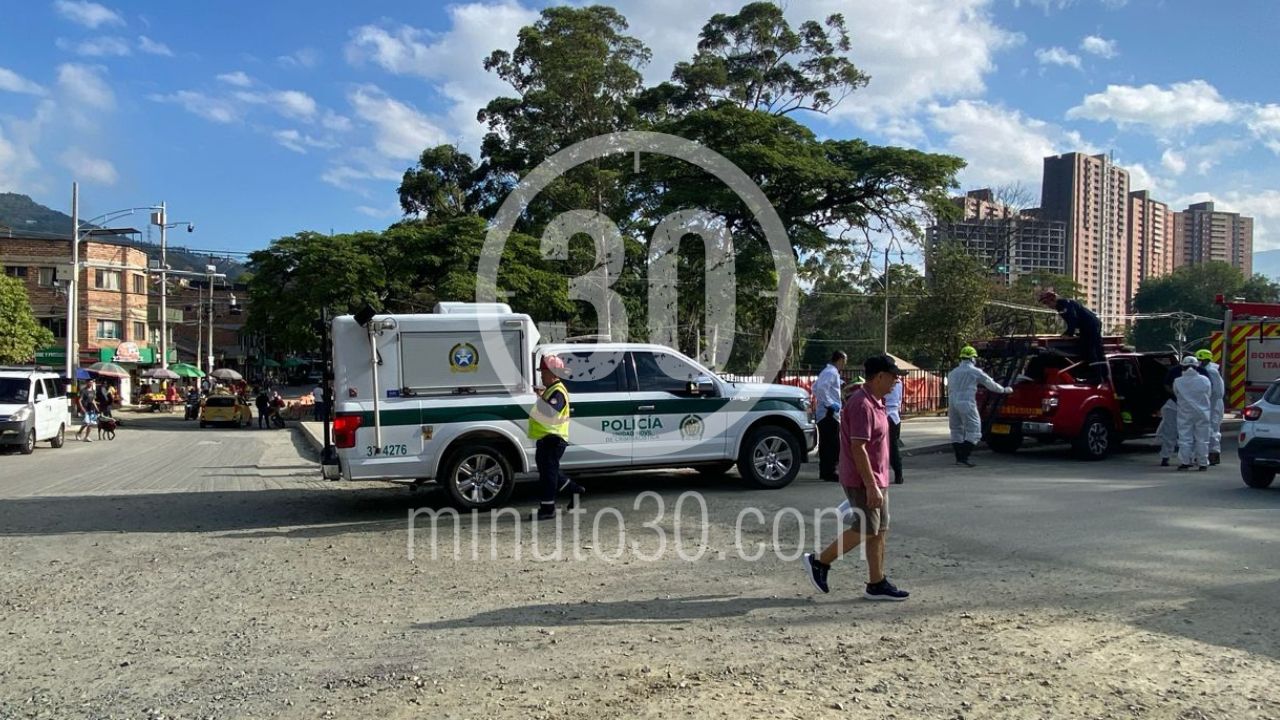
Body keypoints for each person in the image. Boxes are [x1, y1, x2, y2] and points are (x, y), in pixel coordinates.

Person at [802, 354, 911, 601]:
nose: (896, 381)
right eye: (893, 376)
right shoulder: (862, 404)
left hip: (877, 478)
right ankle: (820, 561)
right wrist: (871, 485)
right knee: (865, 529)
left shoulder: (876, 401)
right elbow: (858, 447)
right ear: (880, 376)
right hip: (864, 480)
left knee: (879, 529)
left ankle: (877, 582)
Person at [528, 355, 584, 521]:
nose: (541, 376)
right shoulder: (552, 390)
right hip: (548, 438)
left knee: (548, 475)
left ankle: (547, 509)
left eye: (544, 373)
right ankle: (574, 489)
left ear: (553, 373)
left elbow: (551, 411)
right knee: (548, 471)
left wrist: (541, 398)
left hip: (553, 439)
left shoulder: (557, 391)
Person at [947, 345, 1012, 467]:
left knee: (956, 429)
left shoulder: (953, 372)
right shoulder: (975, 372)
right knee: (975, 430)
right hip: (966, 402)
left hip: (952, 401)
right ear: (972, 358)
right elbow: (990, 384)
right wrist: (1004, 390)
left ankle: (958, 457)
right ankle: (964, 457)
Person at [1038, 290, 1106, 381]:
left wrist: (1069, 333)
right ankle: (1100, 374)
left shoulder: (1064, 305)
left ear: (1053, 300)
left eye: (1047, 303)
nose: (1048, 306)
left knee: (1090, 349)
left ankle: (1096, 376)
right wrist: (1068, 332)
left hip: (1090, 325)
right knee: (1094, 349)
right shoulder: (1062, 305)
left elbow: (1072, 319)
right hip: (1088, 326)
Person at [812, 351, 847, 482]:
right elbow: (820, 389)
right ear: (840, 360)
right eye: (844, 361)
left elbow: (815, 387)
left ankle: (825, 470)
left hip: (827, 412)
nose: (844, 365)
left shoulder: (829, 372)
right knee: (831, 443)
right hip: (829, 413)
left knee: (826, 443)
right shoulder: (831, 372)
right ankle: (830, 471)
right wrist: (829, 403)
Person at [1173, 355, 1212, 471]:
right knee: (1202, 439)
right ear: (1196, 367)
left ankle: (1185, 462)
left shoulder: (1178, 381)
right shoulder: (1205, 380)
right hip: (1202, 413)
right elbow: (1208, 394)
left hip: (1185, 413)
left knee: (1185, 438)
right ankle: (1203, 463)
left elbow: (1176, 394)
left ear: (1183, 367)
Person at [1197, 349, 1225, 465]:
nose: (1199, 362)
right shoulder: (1206, 370)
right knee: (1208, 429)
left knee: (1213, 429)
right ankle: (1209, 454)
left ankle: (1214, 454)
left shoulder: (1211, 371)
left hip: (1214, 404)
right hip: (1210, 403)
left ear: (1206, 360)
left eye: (1200, 360)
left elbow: (1218, 391)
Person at [884, 375, 904, 485]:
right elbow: (900, 399)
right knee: (893, 447)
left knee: (889, 447)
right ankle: (898, 474)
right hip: (894, 415)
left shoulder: (882, 381)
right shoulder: (899, 382)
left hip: (886, 413)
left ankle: (896, 473)